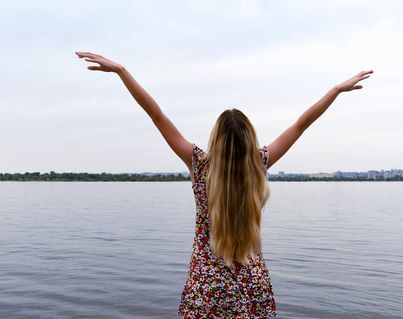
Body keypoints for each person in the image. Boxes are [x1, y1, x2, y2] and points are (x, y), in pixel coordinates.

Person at [76, 51, 373, 318]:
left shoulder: (199, 165)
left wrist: (122, 71)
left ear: (216, 138)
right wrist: (335, 90)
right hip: (251, 283)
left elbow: (155, 115)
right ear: (249, 139)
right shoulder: (259, 163)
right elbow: (301, 124)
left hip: (207, 286)